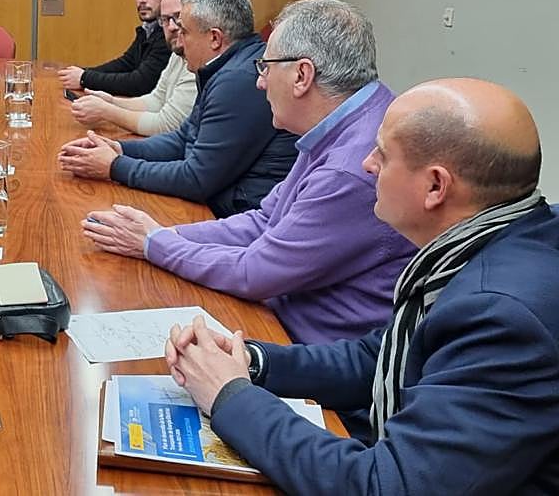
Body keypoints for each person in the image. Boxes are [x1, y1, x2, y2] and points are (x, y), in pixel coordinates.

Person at [166, 78, 559, 493]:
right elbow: (382, 354)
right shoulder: (494, 241)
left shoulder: (503, 314)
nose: (367, 164)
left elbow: (387, 486)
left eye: (383, 154)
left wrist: (228, 395)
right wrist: (253, 361)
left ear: (435, 186)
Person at [83, 0, 415, 344]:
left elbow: (256, 272)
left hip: (302, 342)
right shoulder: (345, 120)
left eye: (266, 67)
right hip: (284, 311)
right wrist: (166, 235)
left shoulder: (350, 167)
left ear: (302, 76)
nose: (259, 82)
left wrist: (155, 243)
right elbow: (265, 220)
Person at [59, 0, 297, 217]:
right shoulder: (225, 67)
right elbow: (183, 139)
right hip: (222, 203)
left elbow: (197, 179)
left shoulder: (238, 80)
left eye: (184, 31)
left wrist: (114, 166)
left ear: (215, 38)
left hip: (239, 215)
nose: (179, 42)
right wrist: (120, 149)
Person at [70, 0, 198, 136]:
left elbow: (167, 125)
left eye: (178, 17)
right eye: (165, 19)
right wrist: (111, 101)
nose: (171, 26)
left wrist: (106, 111)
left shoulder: (200, 60)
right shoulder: (178, 51)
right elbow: (156, 100)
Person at [57, 0, 175, 97]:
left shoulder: (171, 33)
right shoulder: (149, 28)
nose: (141, 0)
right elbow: (126, 63)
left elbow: (140, 83)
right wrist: (83, 73)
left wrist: (85, 78)